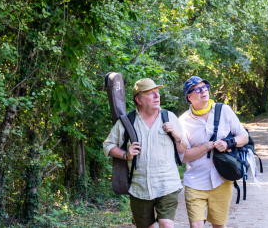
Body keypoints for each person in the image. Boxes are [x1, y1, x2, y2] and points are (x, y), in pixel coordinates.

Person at [103, 78, 188, 228]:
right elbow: (108, 145)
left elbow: (182, 149)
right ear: (139, 99)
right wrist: (125, 154)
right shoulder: (126, 122)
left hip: (167, 184)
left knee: (167, 225)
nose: (157, 96)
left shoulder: (169, 117)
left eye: (157, 92)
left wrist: (177, 136)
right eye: (151, 93)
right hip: (139, 187)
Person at [179, 76, 249, 228]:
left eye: (205, 87)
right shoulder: (183, 121)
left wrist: (228, 143)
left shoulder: (224, 110)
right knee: (196, 225)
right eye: (198, 89)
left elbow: (244, 137)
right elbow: (183, 157)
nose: (203, 91)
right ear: (189, 97)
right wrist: (207, 146)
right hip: (195, 180)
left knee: (218, 225)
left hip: (222, 179)